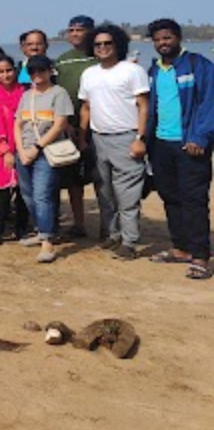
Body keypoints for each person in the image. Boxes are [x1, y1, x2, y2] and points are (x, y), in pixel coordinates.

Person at [145, 18, 214, 280]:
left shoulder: (198, 65)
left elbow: (210, 103)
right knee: (170, 197)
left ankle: (200, 256)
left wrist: (201, 137)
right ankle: (181, 248)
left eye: (167, 38)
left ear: (178, 38)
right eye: (158, 40)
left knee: (194, 199)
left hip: (190, 144)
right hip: (161, 144)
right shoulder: (154, 70)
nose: (163, 43)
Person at [79, 24, 150, 260]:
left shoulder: (131, 71)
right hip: (99, 139)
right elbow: (86, 107)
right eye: (98, 44)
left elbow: (143, 106)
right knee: (104, 191)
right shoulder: (89, 74)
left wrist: (140, 138)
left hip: (126, 137)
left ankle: (129, 241)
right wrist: (82, 137)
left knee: (127, 194)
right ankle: (112, 233)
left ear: (117, 44)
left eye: (107, 43)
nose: (102, 48)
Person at [13, 55, 73, 263]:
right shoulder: (26, 95)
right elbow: (18, 124)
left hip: (46, 153)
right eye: (32, 72)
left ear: (50, 71)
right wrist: (21, 150)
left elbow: (59, 125)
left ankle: (47, 240)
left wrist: (37, 148)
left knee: (42, 195)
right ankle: (41, 230)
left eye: (41, 70)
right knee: (28, 194)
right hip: (24, 152)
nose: (37, 75)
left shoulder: (59, 93)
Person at [54, 16, 98, 239]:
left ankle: (110, 226)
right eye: (70, 30)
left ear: (90, 31)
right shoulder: (62, 61)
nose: (74, 34)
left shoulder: (100, 56)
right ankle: (79, 223)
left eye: (79, 30)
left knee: (102, 178)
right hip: (71, 127)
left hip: (101, 125)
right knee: (73, 180)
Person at [0, 55, 29, 245]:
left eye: (9, 70)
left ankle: (22, 229)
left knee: (23, 191)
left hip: (25, 147)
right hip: (3, 151)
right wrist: (6, 151)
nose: (6, 75)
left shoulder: (26, 93)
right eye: (1, 72)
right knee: (3, 191)